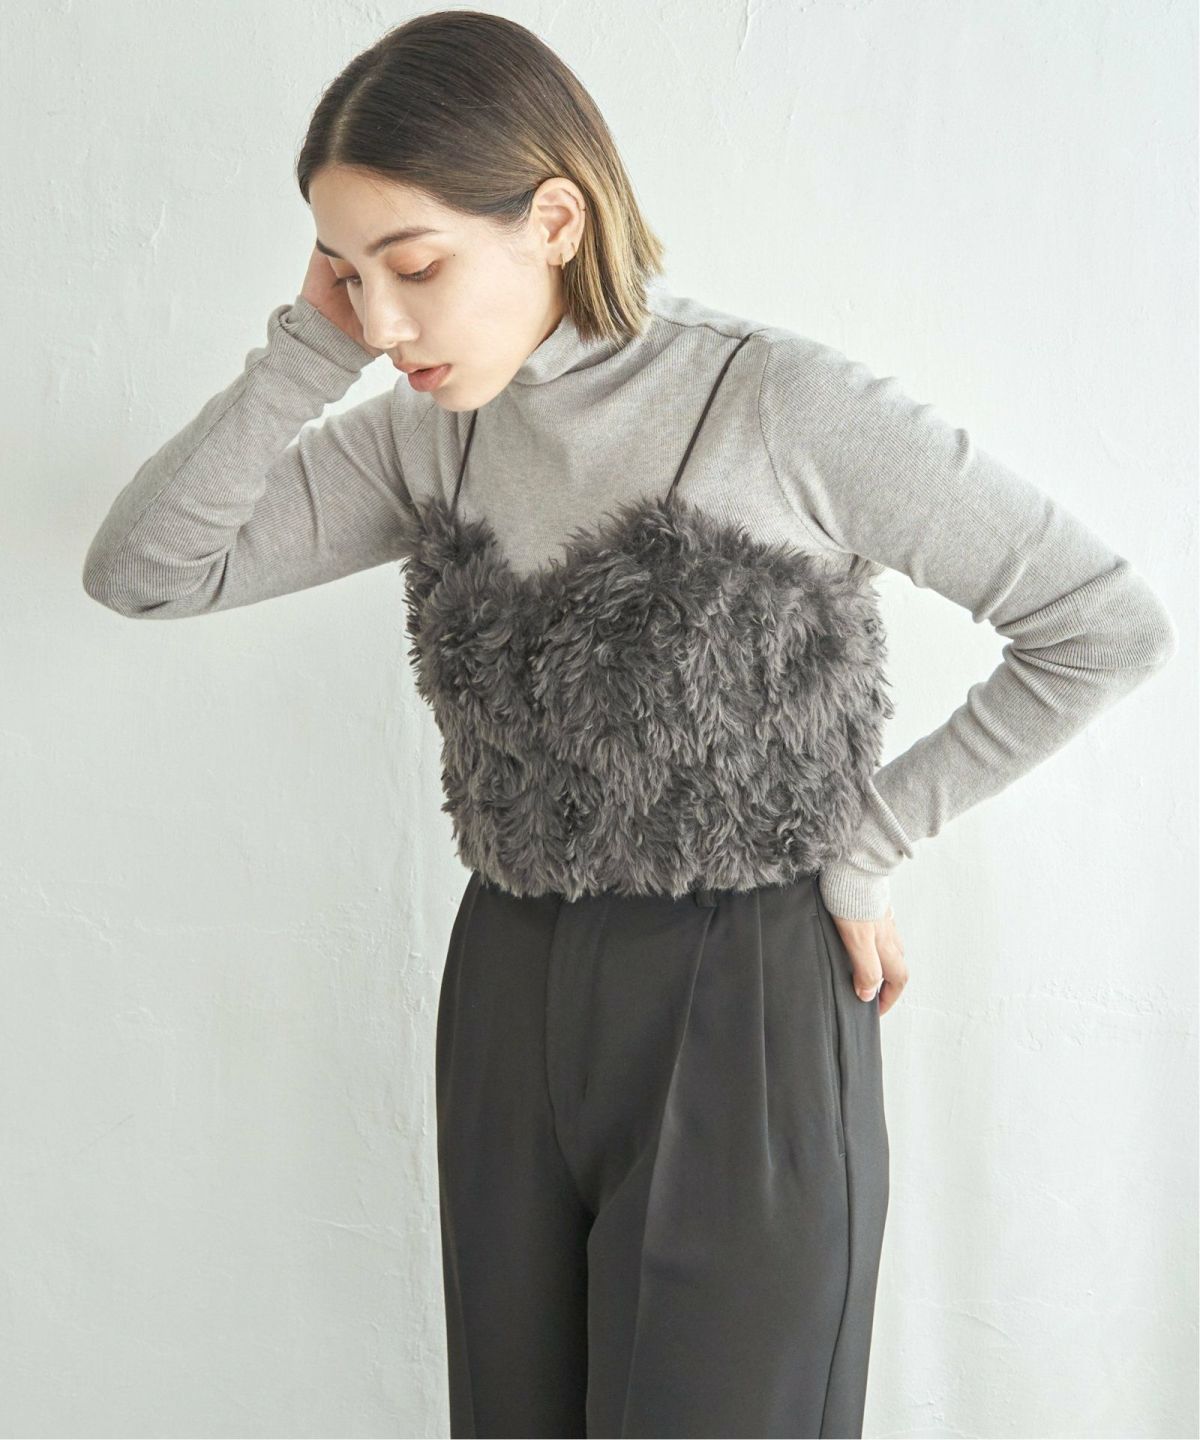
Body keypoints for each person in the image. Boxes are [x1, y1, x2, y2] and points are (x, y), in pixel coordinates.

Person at [80, 11, 1177, 1438]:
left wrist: (870, 842)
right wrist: (305, 352)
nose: (385, 322)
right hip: (508, 981)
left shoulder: (777, 403)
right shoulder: (427, 430)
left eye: (416, 266)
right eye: (349, 275)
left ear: (554, 219)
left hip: (743, 992)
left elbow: (1102, 623)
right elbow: (148, 571)